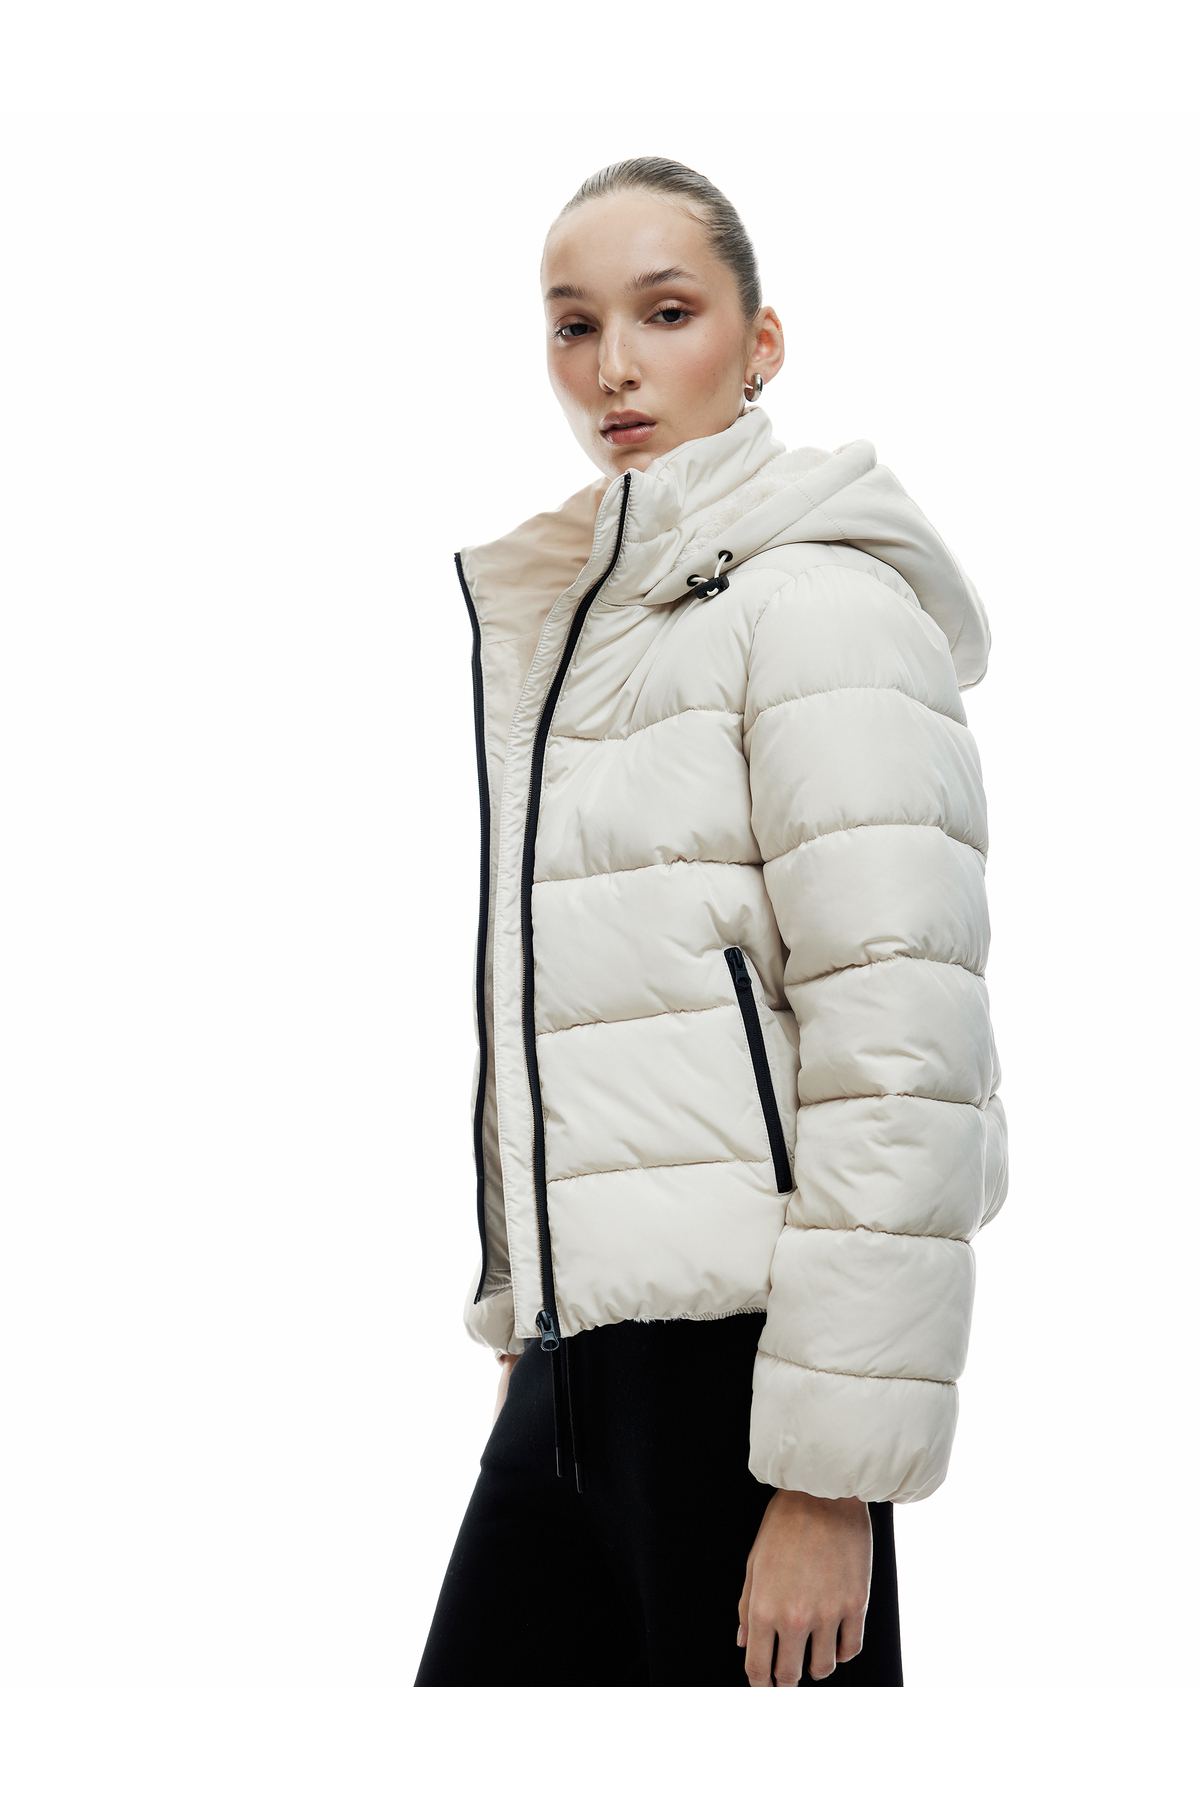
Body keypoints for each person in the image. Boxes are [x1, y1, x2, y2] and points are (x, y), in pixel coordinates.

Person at [415, 157, 1007, 1689]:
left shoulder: (815, 608)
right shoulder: (599, 629)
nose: (613, 365)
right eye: (575, 325)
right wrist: (539, 1310)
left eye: (665, 313)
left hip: (753, 1382)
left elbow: (904, 1050)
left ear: (761, 343)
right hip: (576, 1373)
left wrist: (830, 1480)